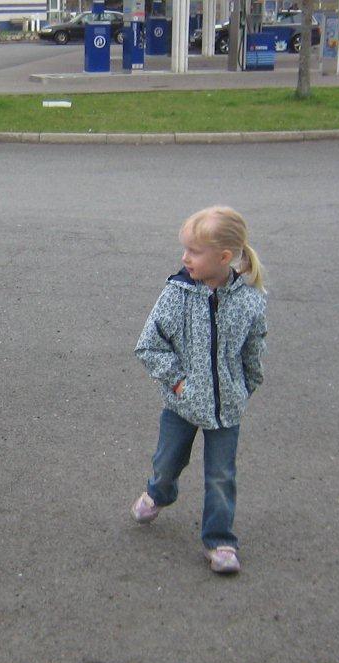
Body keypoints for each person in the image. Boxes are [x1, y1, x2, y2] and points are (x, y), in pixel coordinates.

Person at [131, 206, 268, 574]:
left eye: (194, 251)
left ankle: (220, 541)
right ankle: (159, 492)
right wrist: (178, 382)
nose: (185, 257)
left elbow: (255, 347)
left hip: (226, 410)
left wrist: (245, 386)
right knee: (167, 463)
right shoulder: (176, 294)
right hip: (182, 404)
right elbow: (148, 346)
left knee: (221, 476)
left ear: (224, 257)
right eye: (185, 249)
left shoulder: (249, 299)